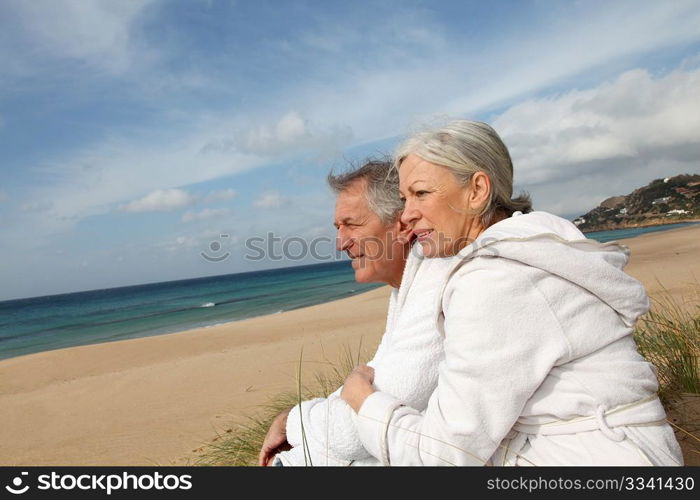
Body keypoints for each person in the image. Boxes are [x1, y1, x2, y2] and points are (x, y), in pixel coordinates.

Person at [341, 120, 683, 466]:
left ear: (476, 190)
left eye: (421, 194)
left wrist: (364, 402)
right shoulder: (535, 246)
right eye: (403, 198)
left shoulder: (496, 280)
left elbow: (444, 455)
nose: (407, 215)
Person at [258, 159, 453, 466]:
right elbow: (376, 382)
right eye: (338, 228)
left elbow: (354, 432)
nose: (341, 243)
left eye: (352, 224)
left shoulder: (437, 284)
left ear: (402, 224)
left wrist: (290, 422)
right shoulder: (406, 287)